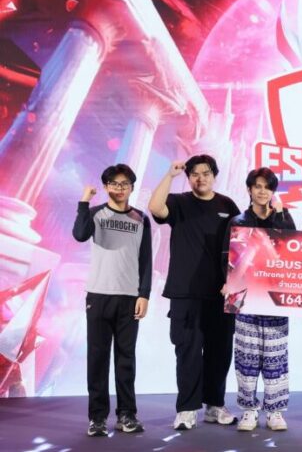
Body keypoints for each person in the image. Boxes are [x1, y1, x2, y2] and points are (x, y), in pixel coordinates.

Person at [149, 155, 240, 430]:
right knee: (187, 350)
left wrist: (235, 282)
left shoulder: (227, 206)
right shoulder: (179, 202)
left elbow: (242, 246)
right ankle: (187, 409)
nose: (201, 178)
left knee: (220, 352)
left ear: (214, 175)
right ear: (188, 178)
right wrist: (170, 175)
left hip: (221, 293)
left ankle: (214, 405)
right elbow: (155, 208)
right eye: (195, 174)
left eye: (206, 173)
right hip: (184, 292)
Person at [72, 164, 151, 437]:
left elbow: (146, 260)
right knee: (97, 358)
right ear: (106, 186)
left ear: (131, 187)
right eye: (114, 183)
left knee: (126, 359)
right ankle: (97, 418)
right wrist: (84, 202)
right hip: (98, 295)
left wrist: (144, 294)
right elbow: (79, 234)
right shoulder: (95, 213)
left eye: (124, 183)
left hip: (129, 298)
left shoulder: (141, 219)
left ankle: (127, 414)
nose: (119, 188)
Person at [222, 167, 295, 432]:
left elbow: (293, 249)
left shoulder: (283, 219)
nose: (263, 191)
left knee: (275, 356)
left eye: (268, 187)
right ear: (250, 190)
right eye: (258, 186)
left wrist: (280, 214)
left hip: (276, 298)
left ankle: (275, 410)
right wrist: (227, 283)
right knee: (247, 356)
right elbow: (226, 257)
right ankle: (249, 410)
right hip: (246, 298)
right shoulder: (238, 221)